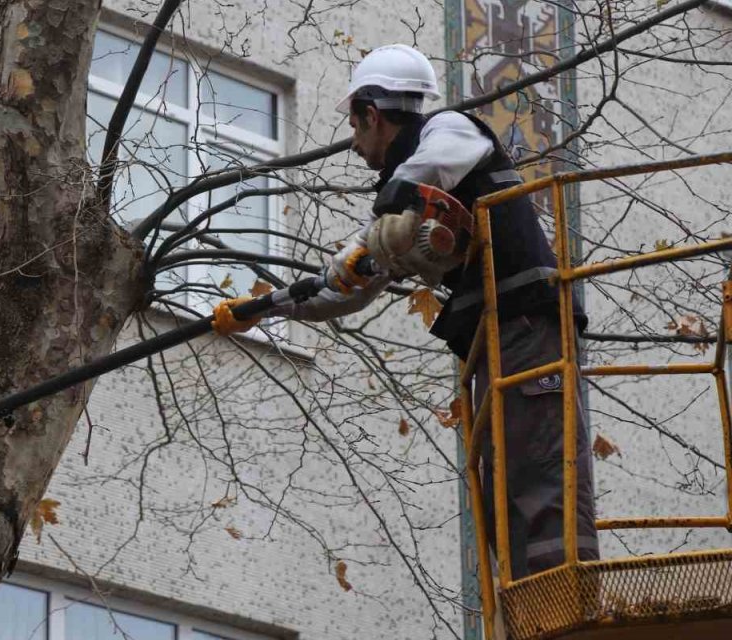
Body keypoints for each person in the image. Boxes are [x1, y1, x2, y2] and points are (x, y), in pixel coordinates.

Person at [213, 44, 598, 580]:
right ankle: (525, 603)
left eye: (355, 124)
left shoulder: (452, 131)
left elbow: (428, 173)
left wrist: (386, 218)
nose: (354, 142)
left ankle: (565, 601)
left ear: (373, 113)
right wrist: (263, 308)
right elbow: (344, 289)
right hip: (498, 341)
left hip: (531, 327)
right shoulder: (409, 199)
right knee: (504, 488)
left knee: (539, 476)